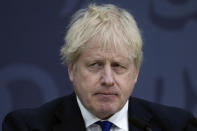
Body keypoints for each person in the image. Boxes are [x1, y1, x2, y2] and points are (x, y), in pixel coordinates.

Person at [2, 4, 197, 131]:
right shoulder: (25, 127)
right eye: (95, 65)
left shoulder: (178, 126)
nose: (108, 79)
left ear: (136, 73)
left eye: (118, 66)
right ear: (71, 70)